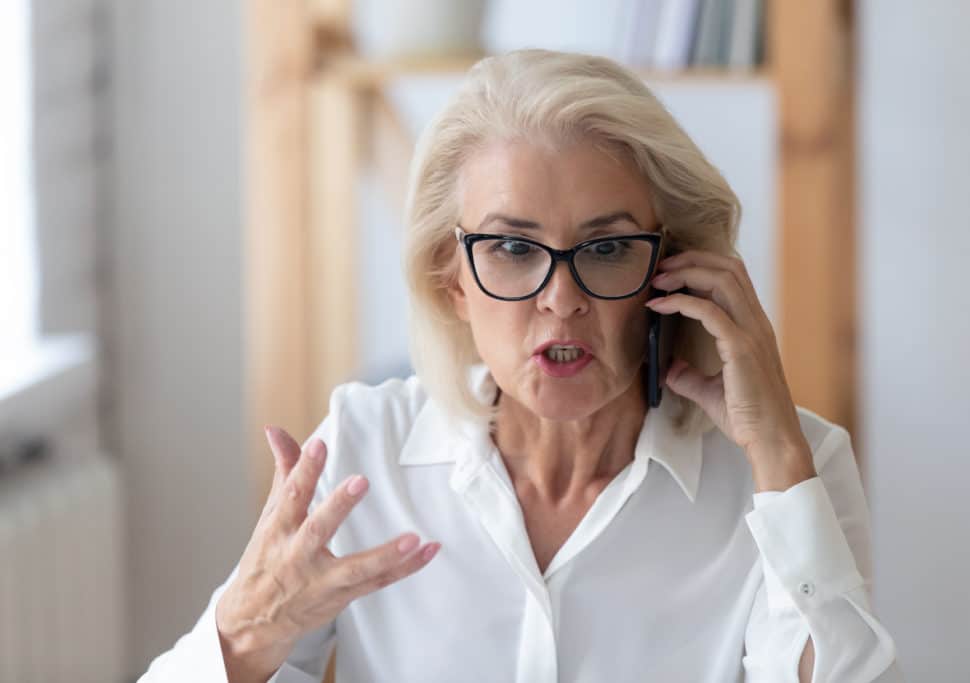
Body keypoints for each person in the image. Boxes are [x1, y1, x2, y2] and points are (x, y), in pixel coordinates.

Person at [140, 48, 903, 682]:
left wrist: (776, 452)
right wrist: (241, 638)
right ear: (453, 279)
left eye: (605, 249)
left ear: (670, 269)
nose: (561, 299)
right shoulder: (363, 453)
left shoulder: (788, 476)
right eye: (511, 248)